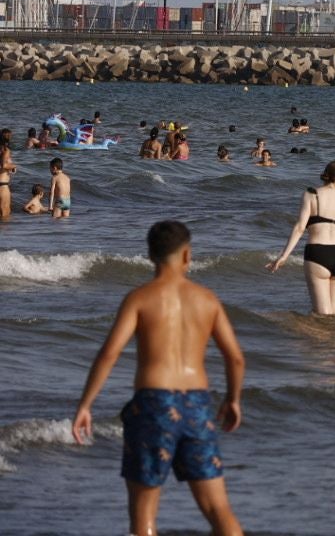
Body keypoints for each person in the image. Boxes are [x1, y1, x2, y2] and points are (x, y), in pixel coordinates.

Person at [72, 220, 245, 536]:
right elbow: (234, 357)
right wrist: (233, 399)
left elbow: (109, 353)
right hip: (196, 404)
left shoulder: (139, 298)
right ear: (187, 255)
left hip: (154, 405)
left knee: (144, 518)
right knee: (218, 510)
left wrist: (86, 404)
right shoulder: (207, 299)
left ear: (150, 255)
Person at [266, 160, 335, 314]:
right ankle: (334, 338)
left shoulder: (311, 195)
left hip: (318, 254)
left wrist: (283, 256)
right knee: (333, 314)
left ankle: (312, 337)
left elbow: (300, 227)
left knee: (322, 317)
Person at [0, 127, 14, 221]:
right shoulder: (6, 151)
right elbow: (4, 165)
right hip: (2, 187)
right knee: (5, 216)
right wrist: (14, 166)